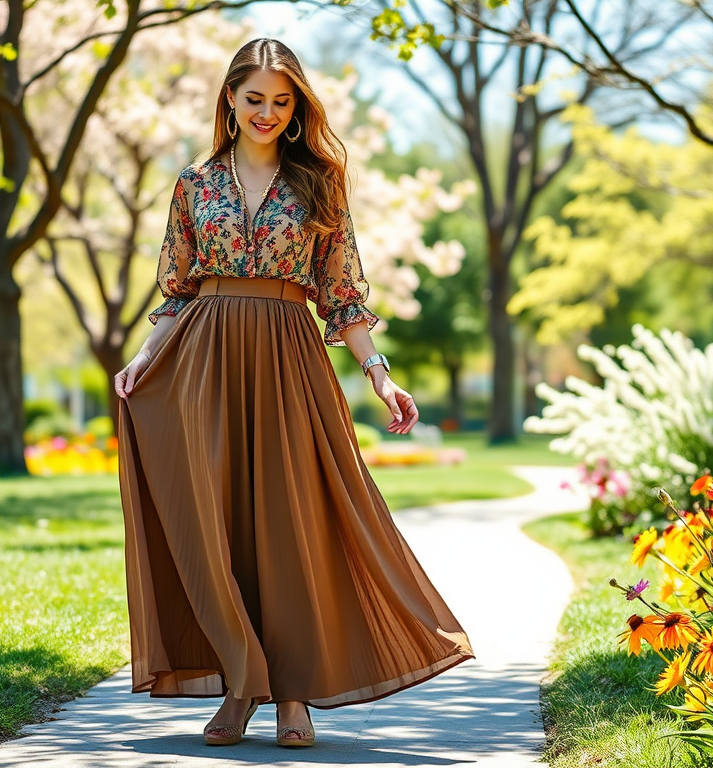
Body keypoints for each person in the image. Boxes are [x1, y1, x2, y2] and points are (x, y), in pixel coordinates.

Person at [114, 37, 474, 749]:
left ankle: (294, 696)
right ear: (229, 99)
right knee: (217, 528)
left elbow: (340, 296)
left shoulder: (320, 184)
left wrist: (379, 373)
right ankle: (241, 687)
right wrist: (142, 356)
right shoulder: (194, 184)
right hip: (205, 359)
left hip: (288, 359)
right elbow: (179, 290)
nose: (268, 113)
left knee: (291, 527)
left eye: (283, 102)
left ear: (298, 106)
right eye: (255, 100)